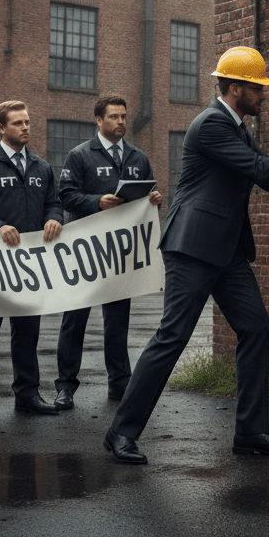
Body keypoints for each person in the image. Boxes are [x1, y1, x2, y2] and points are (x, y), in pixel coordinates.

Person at [103, 46, 269, 463]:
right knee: (172, 338)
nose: (264, 95)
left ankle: (251, 432)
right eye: (258, 88)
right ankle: (120, 434)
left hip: (227, 251)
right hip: (193, 248)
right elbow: (261, 169)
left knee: (257, 326)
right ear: (236, 88)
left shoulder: (237, 128)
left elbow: (264, 175)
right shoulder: (211, 124)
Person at [53, 95, 163, 409]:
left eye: (124, 117)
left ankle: (119, 383)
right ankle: (65, 386)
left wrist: (152, 200)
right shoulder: (80, 155)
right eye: (114, 117)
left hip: (119, 252)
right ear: (98, 120)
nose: (121, 122)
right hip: (85, 251)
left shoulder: (137, 157)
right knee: (74, 319)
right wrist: (96, 202)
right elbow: (66, 196)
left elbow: (146, 193)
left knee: (117, 321)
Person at [0, 101, 64, 419]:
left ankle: (28, 395)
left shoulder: (41, 166)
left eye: (28, 122)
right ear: (1, 128)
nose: (26, 127)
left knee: (27, 332)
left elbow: (54, 203)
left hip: (30, 265)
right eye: (18, 123)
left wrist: (54, 218)